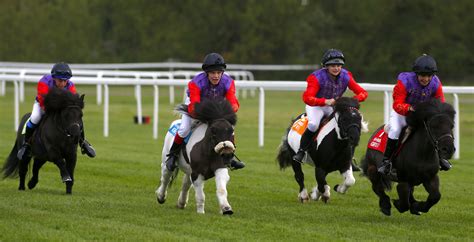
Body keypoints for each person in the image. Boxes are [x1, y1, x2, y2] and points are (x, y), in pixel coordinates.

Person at [165, 53, 245, 172]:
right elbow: (194, 107)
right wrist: (209, 115)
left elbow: (233, 103)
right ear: (207, 73)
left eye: (219, 72)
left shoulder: (228, 82)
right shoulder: (196, 83)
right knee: (184, 128)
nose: (216, 76)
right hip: (195, 105)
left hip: (216, 107)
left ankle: (229, 156)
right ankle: (172, 155)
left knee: (229, 127)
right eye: (213, 73)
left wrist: (225, 111)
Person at [293, 49, 368, 168]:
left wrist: (353, 100)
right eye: (333, 65)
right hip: (316, 106)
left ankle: (349, 158)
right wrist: (325, 101)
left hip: (332, 106)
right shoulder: (316, 77)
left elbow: (363, 93)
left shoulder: (346, 76)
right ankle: (301, 151)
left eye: (339, 65)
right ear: (326, 66)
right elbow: (307, 97)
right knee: (313, 124)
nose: (336, 68)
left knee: (348, 124)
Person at [377, 54, 451, 175]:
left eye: (429, 76)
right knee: (395, 130)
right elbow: (397, 104)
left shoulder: (436, 83)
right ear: (416, 73)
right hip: (403, 113)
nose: (425, 79)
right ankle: (386, 162)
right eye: (422, 75)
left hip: (422, 115)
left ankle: (441, 159)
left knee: (434, 131)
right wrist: (411, 108)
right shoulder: (404, 81)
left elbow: (440, 103)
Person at [16, 62, 96, 160]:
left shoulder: (70, 85)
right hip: (43, 104)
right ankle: (26, 144)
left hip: (61, 108)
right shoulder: (44, 82)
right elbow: (43, 101)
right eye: (60, 81)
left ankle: (83, 143)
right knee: (35, 117)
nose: (63, 84)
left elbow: (73, 102)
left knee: (76, 119)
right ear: (54, 78)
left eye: (65, 81)